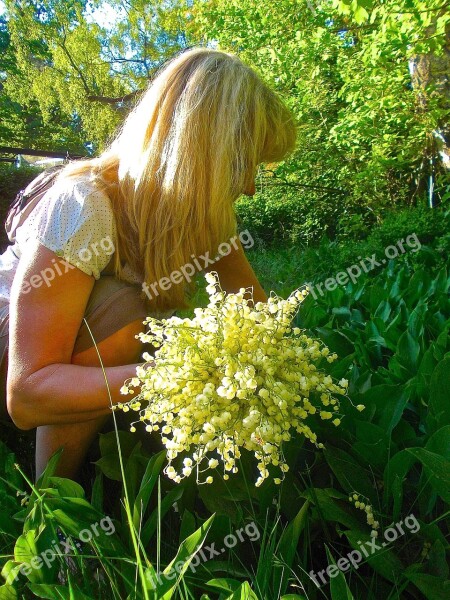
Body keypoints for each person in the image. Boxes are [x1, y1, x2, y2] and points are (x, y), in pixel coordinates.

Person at [0, 46, 297, 480]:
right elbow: (27, 394)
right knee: (125, 308)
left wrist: (279, 377)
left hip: (59, 365)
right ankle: (56, 507)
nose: (250, 188)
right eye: (242, 165)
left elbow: (257, 319)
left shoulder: (203, 220)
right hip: (17, 353)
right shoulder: (85, 206)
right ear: (200, 156)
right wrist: (178, 375)